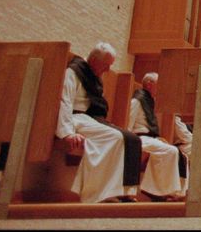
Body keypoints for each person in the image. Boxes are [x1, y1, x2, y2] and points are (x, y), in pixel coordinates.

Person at [56, 43, 141, 203]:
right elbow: (64, 101)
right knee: (115, 137)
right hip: (76, 118)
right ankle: (95, 193)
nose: (108, 70)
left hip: (89, 118)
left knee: (131, 138)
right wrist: (67, 132)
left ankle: (122, 191)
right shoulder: (73, 73)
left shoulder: (94, 78)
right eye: (106, 65)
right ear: (94, 60)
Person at [128, 72, 187, 200]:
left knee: (179, 153)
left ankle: (171, 191)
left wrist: (157, 138)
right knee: (170, 150)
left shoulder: (150, 101)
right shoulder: (138, 100)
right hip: (138, 138)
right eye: (159, 85)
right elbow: (128, 124)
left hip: (149, 138)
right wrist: (131, 141)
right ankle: (155, 191)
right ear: (149, 84)